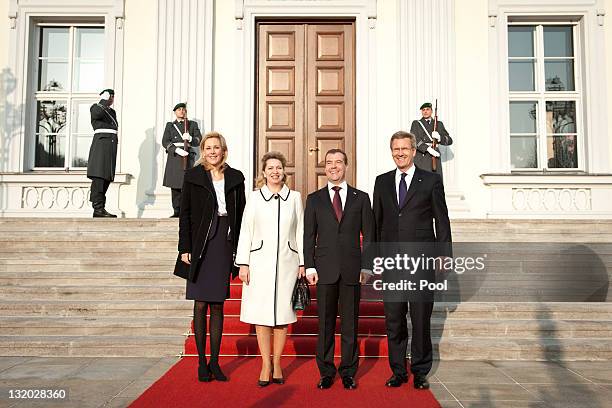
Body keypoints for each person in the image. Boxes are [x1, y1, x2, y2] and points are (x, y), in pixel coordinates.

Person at [373, 131, 452, 390]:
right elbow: (376, 222)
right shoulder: (381, 182)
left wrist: (443, 254)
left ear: (414, 151)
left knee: (419, 319)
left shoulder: (430, 180)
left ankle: (419, 371)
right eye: (395, 149)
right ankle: (398, 371)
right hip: (392, 263)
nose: (400, 153)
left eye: (404, 149)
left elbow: (441, 219)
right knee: (394, 319)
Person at [303, 148, 375, 390]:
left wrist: (367, 266)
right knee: (324, 324)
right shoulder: (314, 199)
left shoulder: (361, 198)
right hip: (324, 270)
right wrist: (310, 265)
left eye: (339, 162)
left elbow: (370, 236)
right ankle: (325, 371)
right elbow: (308, 236)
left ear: (346, 166)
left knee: (349, 324)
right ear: (325, 167)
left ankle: (348, 372)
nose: (334, 166)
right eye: (330, 162)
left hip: (353, 270)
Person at [178, 132, 246, 382]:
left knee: (218, 304)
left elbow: (242, 215)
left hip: (224, 243)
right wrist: (183, 247)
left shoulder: (236, 177)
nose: (213, 151)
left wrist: (243, 248)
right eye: (208, 148)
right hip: (200, 244)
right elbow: (184, 214)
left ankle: (216, 363)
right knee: (200, 303)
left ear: (223, 150)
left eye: (217, 147)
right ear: (203, 151)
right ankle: (201, 362)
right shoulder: (193, 176)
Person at [235, 152, 305, 387]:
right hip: (259, 263)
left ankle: (278, 363)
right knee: (262, 315)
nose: (275, 171)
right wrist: (243, 262)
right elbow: (245, 230)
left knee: (283, 315)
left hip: (288, 263)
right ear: (264, 172)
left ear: (284, 171)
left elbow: (301, 231)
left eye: (278, 167)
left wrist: (303, 262)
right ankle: (266, 364)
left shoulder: (294, 198)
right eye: (270, 168)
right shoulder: (254, 198)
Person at [162, 102, 202, 217]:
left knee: (187, 184)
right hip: (175, 156)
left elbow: (199, 139)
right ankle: (176, 211)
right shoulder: (170, 125)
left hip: (187, 156)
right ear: (175, 112)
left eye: (183, 109)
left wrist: (190, 138)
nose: (182, 111)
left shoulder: (192, 124)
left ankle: (187, 210)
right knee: (175, 185)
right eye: (179, 109)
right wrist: (175, 150)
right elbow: (165, 141)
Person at [87, 89, 119, 218]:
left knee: (106, 177)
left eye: (112, 97)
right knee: (99, 177)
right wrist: (103, 100)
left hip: (110, 146)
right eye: (109, 96)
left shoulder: (111, 112)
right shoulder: (96, 107)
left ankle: (101, 208)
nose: (111, 99)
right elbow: (97, 114)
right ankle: (98, 208)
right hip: (101, 145)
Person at [410, 102, 453, 182]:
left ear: (431, 111)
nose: (425, 111)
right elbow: (414, 140)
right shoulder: (416, 124)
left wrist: (440, 137)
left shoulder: (439, 124)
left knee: (435, 182)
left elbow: (449, 140)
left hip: (435, 157)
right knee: (421, 182)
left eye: (427, 109)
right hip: (421, 156)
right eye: (423, 110)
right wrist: (427, 149)